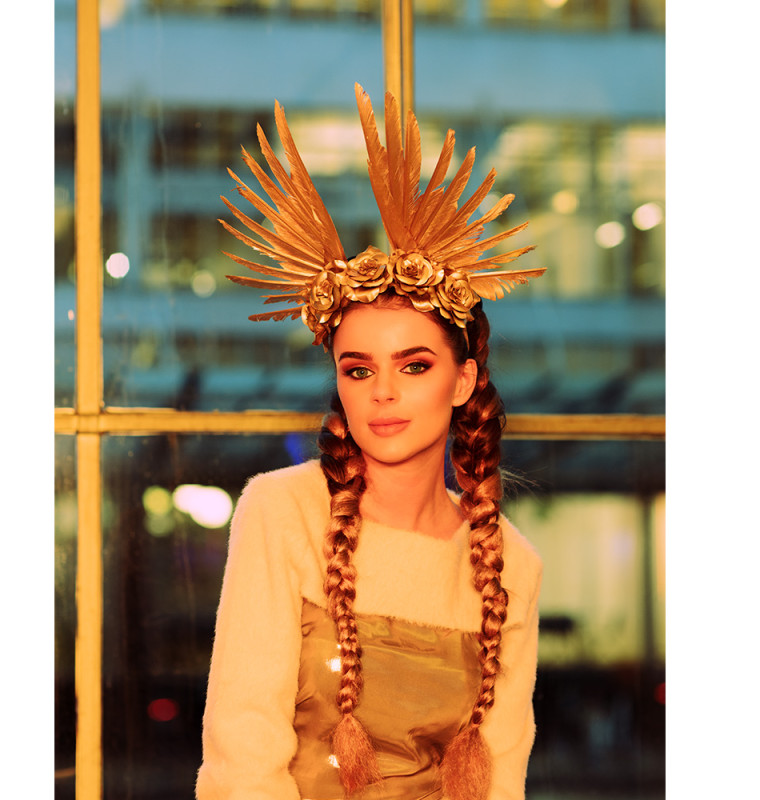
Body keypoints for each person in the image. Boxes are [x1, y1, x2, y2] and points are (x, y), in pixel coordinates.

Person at [196, 84, 546, 800]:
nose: (382, 392)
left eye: (414, 366)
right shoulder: (283, 512)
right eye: (358, 369)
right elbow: (242, 755)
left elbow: (502, 775)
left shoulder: (511, 561)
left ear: (462, 381)